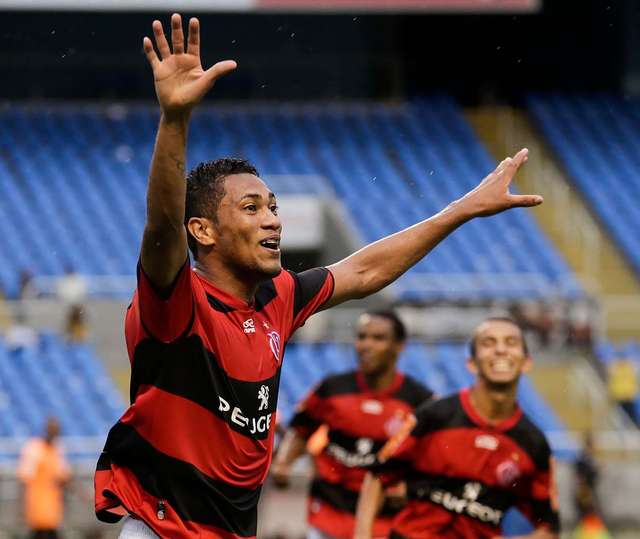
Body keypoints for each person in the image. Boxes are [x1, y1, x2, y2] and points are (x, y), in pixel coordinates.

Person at [93, 13, 542, 539]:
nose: (273, 219)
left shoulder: (278, 298)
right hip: (160, 530)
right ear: (204, 231)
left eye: (274, 207)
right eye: (252, 207)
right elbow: (163, 228)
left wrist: (460, 210)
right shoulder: (176, 305)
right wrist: (175, 120)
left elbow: (366, 268)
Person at [354, 318, 560, 539]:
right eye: (489, 343)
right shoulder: (434, 416)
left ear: (527, 362)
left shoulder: (533, 443)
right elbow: (377, 477)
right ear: (471, 363)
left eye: (511, 342)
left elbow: (549, 528)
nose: (501, 350)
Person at [272, 310, 434, 539]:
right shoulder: (332, 388)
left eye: (378, 338)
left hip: (383, 524)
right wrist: (283, 462)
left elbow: (433, 458)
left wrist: (409, 486)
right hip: (329, 514)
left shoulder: (420, 401)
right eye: (362, 336)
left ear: (399, 346)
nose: (366, 345)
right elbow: (301, 429)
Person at [17, 418, 72, 539]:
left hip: (53, 505)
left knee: (50, 531)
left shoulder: (58, 449)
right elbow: (25, 477)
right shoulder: (34, 448)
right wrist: (21, 505)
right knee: (40, 532)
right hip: (37, 502)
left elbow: (63, 477)